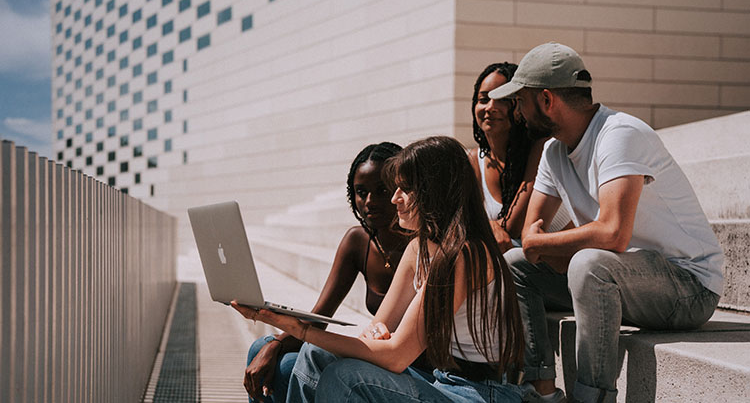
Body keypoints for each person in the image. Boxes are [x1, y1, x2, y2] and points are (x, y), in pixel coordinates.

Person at [488, 42, 724, 403]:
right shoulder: (553, 152)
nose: (515, 110)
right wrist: (538, 245)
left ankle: (592, 398)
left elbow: (613, 233)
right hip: (623, 278)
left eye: (520, 99)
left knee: (588, 263)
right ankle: (542, 392)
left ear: (547, 100)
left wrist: (542, 244)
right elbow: (528, 237)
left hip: (688, 286)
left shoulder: (620, 134)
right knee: (515, 264)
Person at [232, 136, 526, 403]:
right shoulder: (419, 248)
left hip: (478, 393)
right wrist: (374, 331)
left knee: (345, 378)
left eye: (405, 189)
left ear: (435, 191)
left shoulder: (462, 255)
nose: (395, 198)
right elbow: (379, 326)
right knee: (314, 354)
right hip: (439, 380)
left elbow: (397, 356)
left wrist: (299, 328)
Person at [242, 142, 408, 402]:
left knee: (285, 366)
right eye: (361, 192)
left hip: (404, 361)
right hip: (378, 350)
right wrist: (274, 343)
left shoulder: (419, 243)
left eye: (381, 190)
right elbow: (320, 316)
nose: (369, 202)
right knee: (262, 348)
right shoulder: (358, 241)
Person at [468, 63, 569, 252]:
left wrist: (485, 225)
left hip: (557, 262)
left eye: (503, 100)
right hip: (514, 255)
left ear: (521, 105)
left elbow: (513, 227)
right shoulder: (474, 159)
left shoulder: (542, 148)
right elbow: (462, 220)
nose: (491, 107)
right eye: (483, 99)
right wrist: (489, 226)